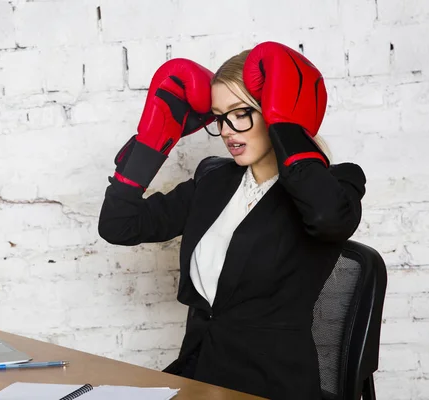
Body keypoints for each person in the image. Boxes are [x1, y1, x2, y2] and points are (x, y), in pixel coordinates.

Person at [98, 41, 366, 400]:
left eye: (241, 113)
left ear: (275, 110)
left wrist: (288, 129)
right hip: (200, 375)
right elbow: (119, 225)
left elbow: (327, 220)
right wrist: (150, 143)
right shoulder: (214, 180)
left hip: (270, 385)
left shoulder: (335, 185)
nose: (226, 130)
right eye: (219, 116)